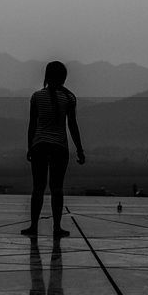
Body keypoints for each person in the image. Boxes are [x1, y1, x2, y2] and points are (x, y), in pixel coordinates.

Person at [23, 61, 86, 237]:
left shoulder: (36, 97)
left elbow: (32, 125)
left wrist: (30, 147)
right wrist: (80, 149)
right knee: (57, 188)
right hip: (59, 147)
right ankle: (57, 227)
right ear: (64, 78)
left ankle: (34, 226)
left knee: (38, 187)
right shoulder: (69, 98)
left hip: (39, 146)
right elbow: (72, 126)